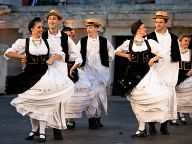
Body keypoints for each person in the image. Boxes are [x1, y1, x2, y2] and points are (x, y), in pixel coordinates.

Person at [4, 17, 74, 142]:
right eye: (39, 27)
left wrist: (52, 58)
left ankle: (42, 132)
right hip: (30, 75)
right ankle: (33, 130)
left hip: (45, 74)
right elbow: (8, 53)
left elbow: (61, 53)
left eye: (42, 27)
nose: (42, 29)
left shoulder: (48, 42)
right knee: (32, 103)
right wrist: (21, 55)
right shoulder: (24, 42)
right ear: (32, 29)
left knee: (44, 104)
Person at [115, 20, 171, 137]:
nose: (146, 29)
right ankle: (141, 129)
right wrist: (126, 55)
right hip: (133, 74)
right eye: (143, 27)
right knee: (136, 102)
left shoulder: (150, 42)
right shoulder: (128, 43)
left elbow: (164, 52)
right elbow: (116, 51)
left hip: (147, 74)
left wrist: (153, 59)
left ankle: (152, 123)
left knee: (149, 99)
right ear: (138, 29)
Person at [147, 11, 181, 135]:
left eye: (160, 22)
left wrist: (174, 76)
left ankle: (164, 125)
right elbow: (146, 56)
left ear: (166, 23)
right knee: (154, 99)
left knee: (167, 99)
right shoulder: (149, 37)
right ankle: (151, 126)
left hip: (169, 72)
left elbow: (176, 58)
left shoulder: (173, 38)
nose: (158, 24)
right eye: (156, 22)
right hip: (154, 72)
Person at [77, 18, 115, 129]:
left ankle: (97, 117)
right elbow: (76, 52)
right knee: (90, 96)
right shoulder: (82, 41)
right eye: (87, 27)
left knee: (100, 97)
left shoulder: (104, 41)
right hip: (88, 72)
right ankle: (91, 119)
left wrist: (107, 59)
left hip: (102, 72)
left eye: (91, 27)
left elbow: (111, 52)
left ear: (97, 28)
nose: (88, 29)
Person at [176, 33, 192, 125]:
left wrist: (190, 72)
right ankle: (181, 115)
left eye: (188, 41)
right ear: (180, 41)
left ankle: (190, 113)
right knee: (180, 97)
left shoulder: (190, 52)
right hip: (178, 77)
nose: (187, 42)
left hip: (188, 76)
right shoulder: (176, 52)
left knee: (189, 97)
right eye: (185, 40)